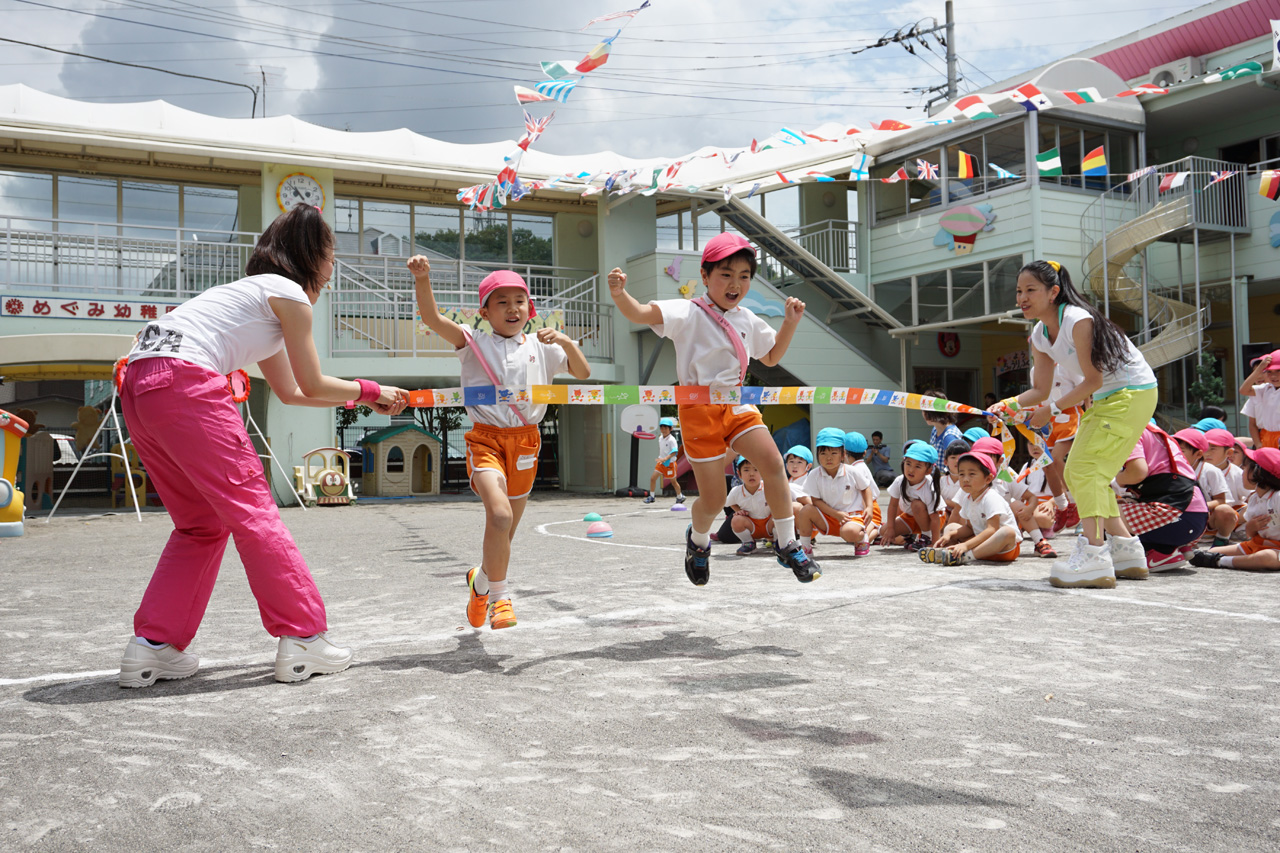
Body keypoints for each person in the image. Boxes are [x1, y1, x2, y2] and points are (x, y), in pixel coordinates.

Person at [117, 204, 409, 688]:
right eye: (331, 255)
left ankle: (154, 647)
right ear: (311, 255)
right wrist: (372, 391)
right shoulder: (289, 293)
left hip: (139, 385)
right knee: (254, 513)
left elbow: (293, 391)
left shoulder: (247, 297)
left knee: (199, 524)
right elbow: (314, 383)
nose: (333, 268)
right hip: (187, 382)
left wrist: (365, 397)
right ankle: (303, 638)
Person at [607, 232, 818, 585]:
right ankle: (699, 541)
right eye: (725, 274)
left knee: (772, 463)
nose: (735, 283)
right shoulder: (686, 311)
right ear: (705, 276)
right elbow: (640, 313)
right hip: (698, 412)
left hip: (736, 405)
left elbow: (770, 356)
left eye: (744, 276)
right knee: (713, 498)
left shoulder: (748, 319)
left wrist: (790, 323)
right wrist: (619, 293)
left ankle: (787, 543)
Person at [412, 255, 590, 630]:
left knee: (504, 533)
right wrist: (423, 279)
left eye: (519, 301)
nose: (512, 308)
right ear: (485, 311)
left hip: (526, 442)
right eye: (502, 302)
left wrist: (566, 340)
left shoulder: (544, 346)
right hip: (486, 442)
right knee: (500, 515)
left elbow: (582, 371)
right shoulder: (471, 341)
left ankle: (480, 583)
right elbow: (432, 319)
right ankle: (501, 598)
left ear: (531, 307)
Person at [993, 260, 1157, 589]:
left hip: (1129, 394)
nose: (1022, 298)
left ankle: (1095, 556)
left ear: (1054, 292)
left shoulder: (1077, 320)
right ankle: (1126, 552)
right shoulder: (1039, 333)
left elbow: (1092, 380)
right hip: (1111, 398)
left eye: (1030, 290)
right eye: (1018, 291)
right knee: (1079, 472)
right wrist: (1008, 404)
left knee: (1084, 470)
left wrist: (1049, 411)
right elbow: (1040, 389)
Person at [1115, 424, 1208, 572]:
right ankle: (1163, 552)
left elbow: (1137, 473)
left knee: (1105, 511)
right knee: (1125, 504)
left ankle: (1127, 557)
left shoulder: (1130, 429)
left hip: (1177, 515)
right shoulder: (1161, 435)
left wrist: (1113, 481)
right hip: (1196, 518)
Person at [920, 451, 1021, 566]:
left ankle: (966, 556)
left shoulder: (991, 497)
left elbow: (992, 529)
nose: (965, 479)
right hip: (982, 545)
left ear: (988, 479)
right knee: (951, 528)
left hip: (1003, 549)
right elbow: (969, 527)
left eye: (972, 474)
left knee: (1007, 532)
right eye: (962, 474)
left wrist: (966, 545)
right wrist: (949, 535)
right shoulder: (968, 499)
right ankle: (950, 553)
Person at [1191, 446, 1280, 571]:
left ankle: (1221, 561)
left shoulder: (1277, 497)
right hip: (1256, 544)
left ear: (1257, 473)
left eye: (1245, 468)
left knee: (1266, 557)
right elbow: (1250, 534)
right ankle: (1222, 558)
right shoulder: (1254, 498)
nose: (1241, 471)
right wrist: (1252, 527)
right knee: (1213, 550)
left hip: (1275, 549)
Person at [797, 427, 871, 554]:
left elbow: (865, 488)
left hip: (851, 517)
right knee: (806, 510)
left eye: (833, 453)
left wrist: (869, 507)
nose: (828, 458)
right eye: (823, 453)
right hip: (827, 517)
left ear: (843, 455)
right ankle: (805, 546)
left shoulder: (852, 471)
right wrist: (835, 514)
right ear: (817, 455)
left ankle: (861, 538)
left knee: (849, 532)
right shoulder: (814, 474)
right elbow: (815, 501)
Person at [1173, 428, 1236, 548]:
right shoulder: (1171, 469)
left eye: (1182, 451)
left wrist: (1200, 507)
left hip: (1208, 519)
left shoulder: (1210, 471)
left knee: (1225, 510)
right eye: (1173, 450)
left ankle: (1221, 539)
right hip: (1182, 517)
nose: (1176, 455)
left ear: (1198, 454)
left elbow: (1221, 500)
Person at [878, 442, 943, 551]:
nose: (911, 470)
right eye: (908, 463)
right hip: (911, 517)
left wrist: (934, 543)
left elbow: (935, 518)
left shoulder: (929, 487)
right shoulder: (899, 480)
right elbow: (893, 506)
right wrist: (890, 528)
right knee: (884, 531)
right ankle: (909, 537)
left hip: (934, 521)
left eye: (918, 466)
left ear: (928, 470)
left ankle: (926, 537)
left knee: (916, 504)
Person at [843, 431, 881, 554]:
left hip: (868, 508)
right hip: (872, 506)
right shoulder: (862, 466)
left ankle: (877, 530)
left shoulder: (853, 470)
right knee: (858, 536)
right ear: (865, 452)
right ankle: (876, 529)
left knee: (860, 538)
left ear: (844, 453)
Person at [727, 456, 773, 555]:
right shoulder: (736, 491)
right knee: (736, 520)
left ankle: (778, 542)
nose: (751, 474)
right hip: (751, 526)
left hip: (769, 525)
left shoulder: (769, 488)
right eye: (746, 470)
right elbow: (730, 503)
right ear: (739, 474)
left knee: (779, 516)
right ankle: (748, 543)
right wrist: (738, 510)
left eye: (756, 469)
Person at [1239, 349, 1280, 450]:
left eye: (1278, 371)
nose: (1274, 376)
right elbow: (1243, 390)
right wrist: (1258, 444)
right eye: (1269, 371)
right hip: (1266, 437)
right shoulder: (1265, 389)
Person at [645, 417, 685, 504]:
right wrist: (661, 459)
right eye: (662, 428)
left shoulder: (672, 440)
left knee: (673, 482)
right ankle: (651, 496)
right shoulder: (660, 438)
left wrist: (665, 458)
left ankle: (680, 496)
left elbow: (674, 451)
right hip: (661, 463)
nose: (663, 430)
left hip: (670, 464)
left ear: (671, 429)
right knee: (653, 478)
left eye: (666, 428)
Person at [923, 391, 963, 457]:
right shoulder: (935, 430)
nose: (924, 414)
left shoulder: (950, 436)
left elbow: (953, 465)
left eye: (926, 410)